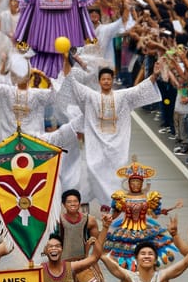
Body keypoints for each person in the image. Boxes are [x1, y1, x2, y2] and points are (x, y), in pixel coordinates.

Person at [61, 56, 163, 206]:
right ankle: (88, 200)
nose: (107, 81)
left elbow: (140, 89)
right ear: (99, 82)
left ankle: (114, 203)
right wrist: (65, 59)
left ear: (112, 80)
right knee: (92, 167)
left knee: (116, 173)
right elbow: (72, 83)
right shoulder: (91, 97)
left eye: (109, 79)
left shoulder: (123, 96)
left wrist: (154, 75)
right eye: (104, 79)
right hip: (96, 143)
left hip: (117, 145)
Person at [103, 159, 181, 271]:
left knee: (149, 256)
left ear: (142, 184)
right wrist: (108, 217)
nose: (135, 185)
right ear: (128, 184)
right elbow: (115, 213)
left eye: (138, 183)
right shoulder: (121, 197)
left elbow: (154, 214)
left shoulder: (148, 198)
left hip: (145, 229)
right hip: (125, 230)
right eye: (133, 182)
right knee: (124, 261)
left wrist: (166, 210)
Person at [57, 189, 102, 282]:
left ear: (80, 203)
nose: (72, 204)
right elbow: (52, 243)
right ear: (64, 204)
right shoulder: (58, 220)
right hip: (63, 264)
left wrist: (94, 261)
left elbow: (97, 243)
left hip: (82, 262)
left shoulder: (89, 220)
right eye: (69, 202)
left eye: (75, 201)